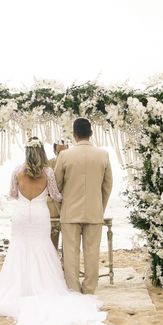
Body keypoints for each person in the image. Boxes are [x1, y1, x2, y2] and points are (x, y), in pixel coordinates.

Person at [0, 137, 114, 325]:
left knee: (19, 249)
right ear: (41, 153)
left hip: (21, 214)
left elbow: (12, 194)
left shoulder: (17, 170)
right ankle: (48, 286)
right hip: (39, 215)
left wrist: (24, 196)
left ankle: (21, 288)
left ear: (27, 152)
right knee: (42, 248)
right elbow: (56, 195)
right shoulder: (47, 172)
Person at [54, 118, 113, 294]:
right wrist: (100, 207)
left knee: (70, 254)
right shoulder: (103, 155)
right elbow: (107, 186)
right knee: (92, 253)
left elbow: (55, 187)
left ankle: (74, 290)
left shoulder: (64, 156)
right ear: (91, 133)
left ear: (74, 134)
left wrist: (61, 208)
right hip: (94, 211)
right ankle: (89, 291)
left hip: (70, 212)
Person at [47, 140, 68, 249]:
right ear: (55, 151)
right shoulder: (48, 163)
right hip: (52, 208)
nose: (62, 154)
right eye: (60, 152)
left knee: (69, 244)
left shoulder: (72, 163)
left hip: (69, 207)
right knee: (52, 243)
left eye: (65, 151)